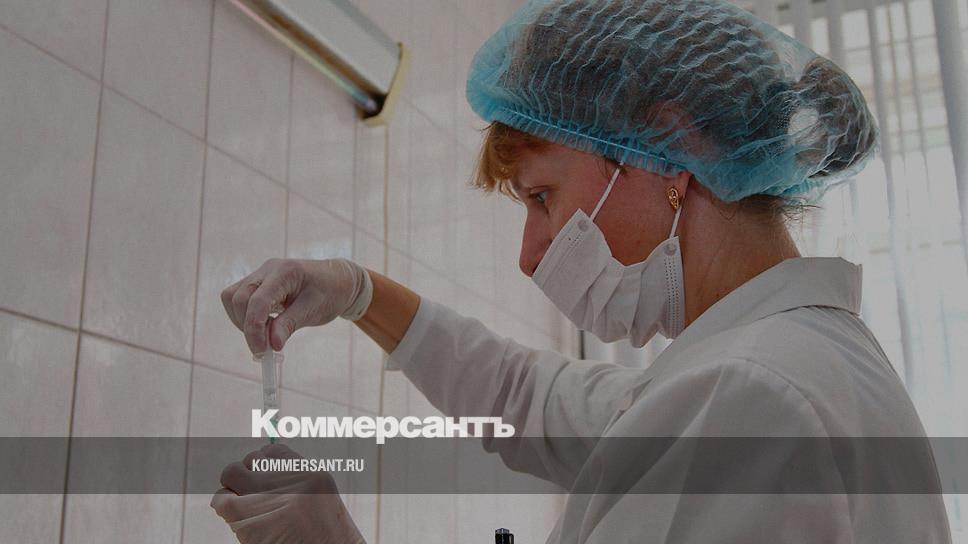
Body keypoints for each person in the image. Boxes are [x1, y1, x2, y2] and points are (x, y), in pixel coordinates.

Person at [211, 0, 952, 542]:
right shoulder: (758, 372)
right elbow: (520, 394)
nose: (529, 254)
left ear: (669, 146)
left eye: (543, 195)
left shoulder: (750, 398)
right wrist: (359, 293)